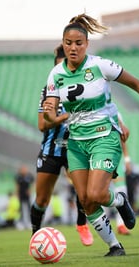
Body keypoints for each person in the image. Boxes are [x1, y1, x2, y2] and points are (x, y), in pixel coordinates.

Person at [43, 13, 139, 256]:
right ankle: (115, 246)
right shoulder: (56, 74)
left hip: (104, 137)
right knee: (85, 200)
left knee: (97, 194)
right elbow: (50, 115)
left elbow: (137, 84)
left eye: (78, 43)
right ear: (62, 43)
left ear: (87, 44)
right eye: (68, 43)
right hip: (76, 143)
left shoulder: (100, 65)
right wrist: (51, 113)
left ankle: (120, 201)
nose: (73, 48)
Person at [30, 44, 94, 247]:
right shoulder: (48, 91)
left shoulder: (82, 88)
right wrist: (60, 119)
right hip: (51, 150)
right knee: (41, 200)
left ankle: (82, 224)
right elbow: (42, 125)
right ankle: (35, 235)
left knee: (82, 192)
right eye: (58, 66)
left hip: (75, 148)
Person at [15, 165, 34, 229]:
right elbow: (17, 185)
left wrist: (30, 190)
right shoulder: (18, 177)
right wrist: (17, 193)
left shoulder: (29, 176)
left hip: (27, 195)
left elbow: (32, 184)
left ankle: (29, 222)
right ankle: (21, 223)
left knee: (29, 209)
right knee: (21, 209)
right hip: (21, 194)